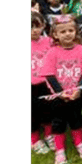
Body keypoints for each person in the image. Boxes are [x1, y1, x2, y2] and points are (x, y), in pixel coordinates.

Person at [39, 14, 82, 164]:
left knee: (76, 119)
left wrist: (79, 89)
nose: (67, 34)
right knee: (58, 123)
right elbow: (49, 74)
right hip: (58, 96)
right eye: (63, 32)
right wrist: (60, 92)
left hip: (76, 95)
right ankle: (60, 150)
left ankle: (79, 144)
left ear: (76, 32)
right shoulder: (52, 52)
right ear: (55, 34)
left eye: (70, 30)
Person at [30, 12, 55, 155]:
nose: (34, 30)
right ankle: (34, 140)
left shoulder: (49, 42)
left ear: (43, 26)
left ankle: (49, 135)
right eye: (30, 27)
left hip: (47, 84)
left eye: (37, 26)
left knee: (48, 110)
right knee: (32, 114)